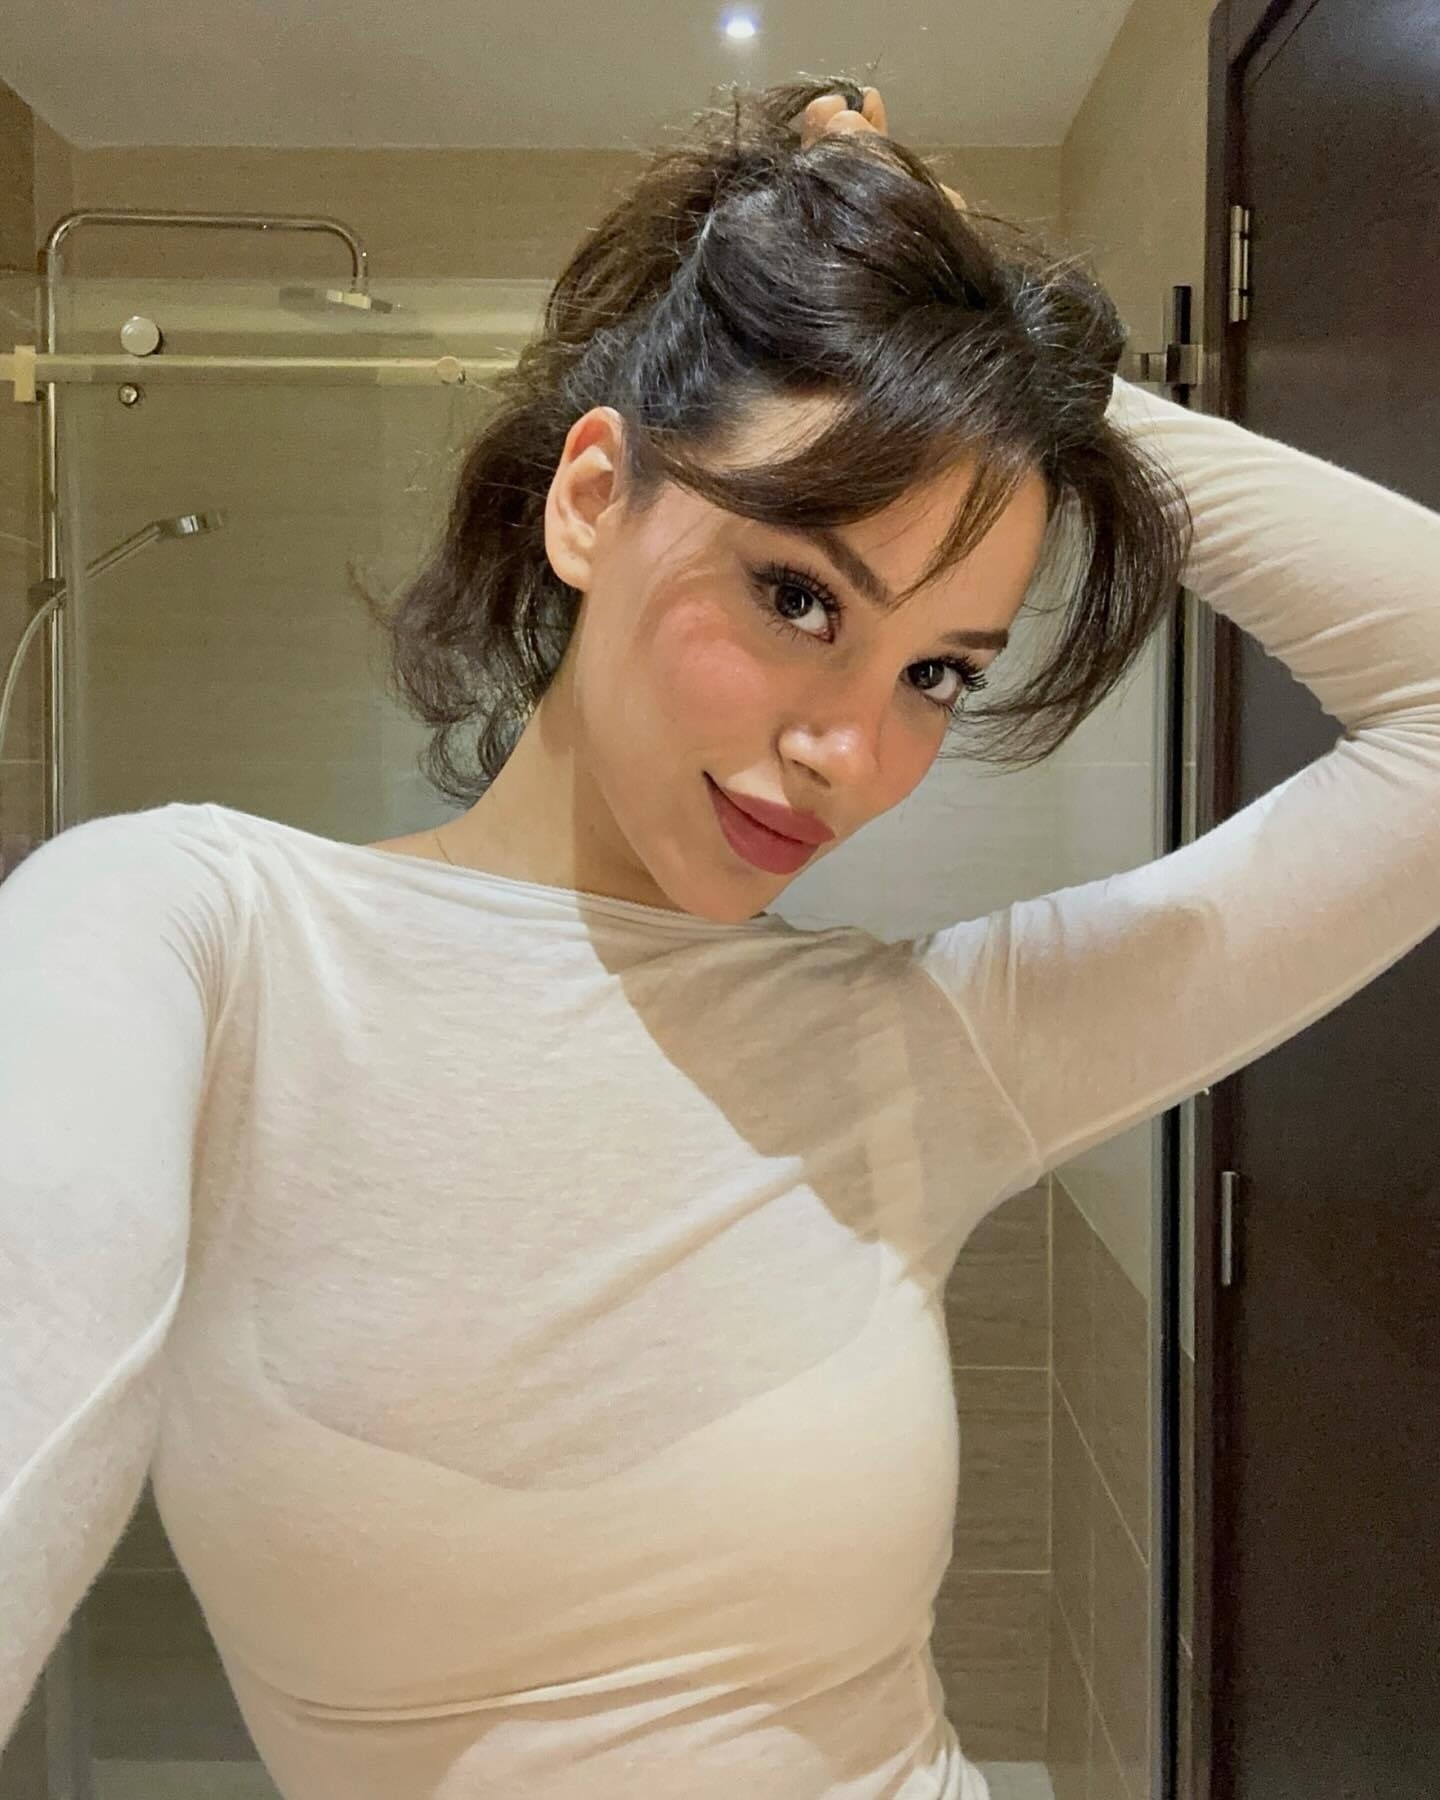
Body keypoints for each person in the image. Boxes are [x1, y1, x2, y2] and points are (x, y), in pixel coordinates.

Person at [2, 77, 1437, 1800]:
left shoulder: (928, 1048)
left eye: (938, 672)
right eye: (798, 595)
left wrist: (994, 348)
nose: (852, 752)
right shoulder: (198, 936)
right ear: (592, 500)